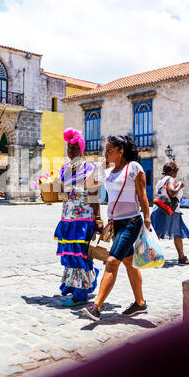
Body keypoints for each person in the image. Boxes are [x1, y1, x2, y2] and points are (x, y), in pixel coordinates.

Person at [83, 135, 150, 321]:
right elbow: (87, 184)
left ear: (121, 151)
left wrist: (147, 218)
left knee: (112, 261)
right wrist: (101, 166)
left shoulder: (134, 167)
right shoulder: (109, 171)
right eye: (106, 149)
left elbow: (143, 195)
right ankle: (140, 303)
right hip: (115, 224)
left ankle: (96, 306)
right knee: (128, 262)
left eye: (110, 150)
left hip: (131, 222)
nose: (106, 153)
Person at [54, 128, 102, 307]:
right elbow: (61, 193)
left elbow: (94, 194)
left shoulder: (90, 168)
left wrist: (98, 219)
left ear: (81, 149)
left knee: (80, 254)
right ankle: (82, 282)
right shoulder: (64, 169)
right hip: (67, 217)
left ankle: (80, 294)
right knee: (70, 254)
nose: (71, 151)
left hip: (84, 218)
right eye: (69, 148)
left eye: (74, 147)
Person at [151, 161, 189, 264]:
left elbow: (165, 196)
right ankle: (181, 257)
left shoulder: (160, 181)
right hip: (168, 212)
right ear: (172, 171)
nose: (176, 174)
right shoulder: (171, 179)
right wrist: (180, 185)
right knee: (176, 233)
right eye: (176, 172)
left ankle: (151, 256)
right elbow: (172, 193)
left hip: (160, 209)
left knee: (158, 233)